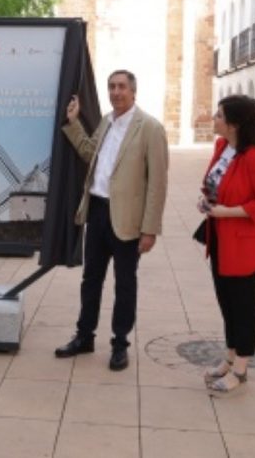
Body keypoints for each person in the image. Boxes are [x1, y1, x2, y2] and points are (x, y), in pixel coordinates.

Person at [56, 69, 169, 371]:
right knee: (91, 279)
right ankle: (84, 336)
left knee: (125, 284)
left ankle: (120, 344)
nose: (116, 92)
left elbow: (157, 184)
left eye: (121, 87)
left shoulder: (150, 128)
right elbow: (90, 153)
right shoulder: (107, 121)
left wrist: (150, 229)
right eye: (111, 87)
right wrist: (73, 122)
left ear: (133, 91)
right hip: (97, 211)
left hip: (128, 221)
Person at [197, 95, 255, 395]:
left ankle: (241, 368)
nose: (214, 119)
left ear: (234, 123)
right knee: (226, 302)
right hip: (219, 238)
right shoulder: (222, 147)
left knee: (244, 305)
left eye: (219, 116)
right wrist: (206, 200)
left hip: (245, 245)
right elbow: (212, 183)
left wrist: (225, 212)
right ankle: (230, 358)